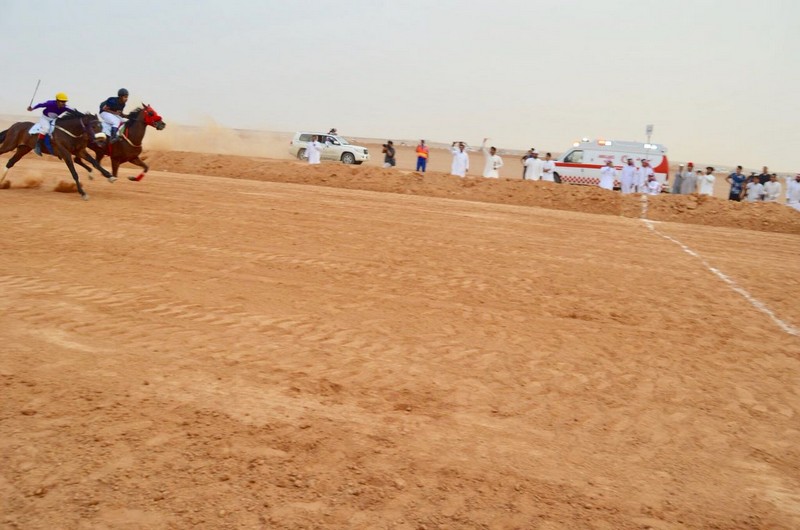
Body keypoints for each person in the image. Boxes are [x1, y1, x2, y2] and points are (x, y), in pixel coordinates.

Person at [27, 92, 73, 156]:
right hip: (45, 118)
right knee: (46, 129)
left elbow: (75, 111)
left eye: (64, 102)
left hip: (54, 119)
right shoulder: (50, 103)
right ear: (57, 100)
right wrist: (32, 108)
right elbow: (40, 104)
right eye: (62, 101)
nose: (63, 103)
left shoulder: (66, 107)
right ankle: (37, 146)